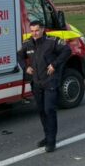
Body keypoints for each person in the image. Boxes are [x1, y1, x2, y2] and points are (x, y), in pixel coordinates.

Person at [20, 20, 72, 152]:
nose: (34, 33)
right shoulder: (28, 43)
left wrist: (55, 64)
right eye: (32, 31)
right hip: (37, 83)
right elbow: (19, 56)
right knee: (42, 111)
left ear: (43, 29)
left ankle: (51, 141)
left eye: (37, 30)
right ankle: (46, 136)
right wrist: (26, 67)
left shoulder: (52, 41)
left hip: (50, 81)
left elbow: (67, 50)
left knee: (49, 110)